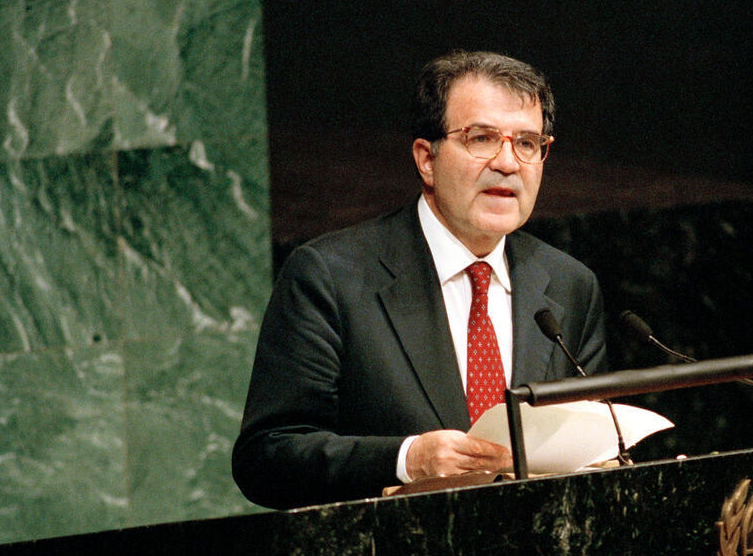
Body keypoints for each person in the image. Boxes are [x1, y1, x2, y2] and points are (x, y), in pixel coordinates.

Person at [234, 51, 608, 509]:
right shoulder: (330, 276)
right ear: (426, 159)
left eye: (527, 143)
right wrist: (406, 459)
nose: (508, 163)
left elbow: (594, 444)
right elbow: (267, 458)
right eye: (482, 138)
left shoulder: (569, 284)